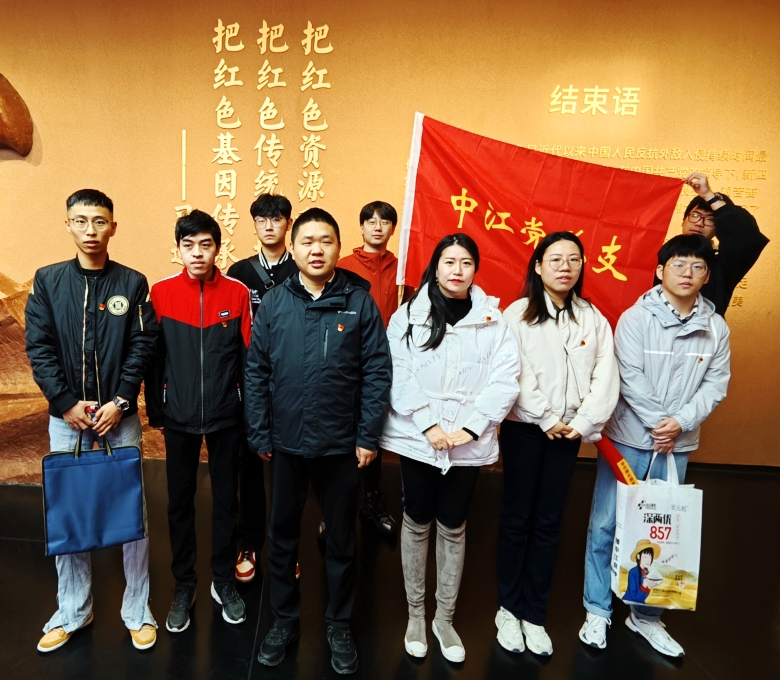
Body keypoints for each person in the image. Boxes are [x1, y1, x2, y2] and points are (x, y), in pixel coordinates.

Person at [246, 208, 392, 674]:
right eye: (307, 241)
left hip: (340, 446)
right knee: (282, 538)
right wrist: (260, 431)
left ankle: (339, 624)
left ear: (338, 247)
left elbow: (377, 372)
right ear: (293, 248)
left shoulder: (359, 301)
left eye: (325, 241)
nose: (316, 249)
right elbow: (256, 371)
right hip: (286, 444)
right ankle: (284, 620)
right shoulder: (274, 303)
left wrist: (368, 435)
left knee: (342, 540)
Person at [580, 234, 731, 658]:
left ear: (706, 276)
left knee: (663, 529)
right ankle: (597, 609)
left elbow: (716, 384)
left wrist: (679, 424)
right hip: (630, 438)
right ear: (661, 270)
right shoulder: (635, 318)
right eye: (679, 264)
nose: (687, 273)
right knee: (606, 523)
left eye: (698, 267)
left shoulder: (716, 327)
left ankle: (646, 616)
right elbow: (629, 375)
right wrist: (659, 424)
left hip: (676, 444)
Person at [25, 189, 158, 652]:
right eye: (80, 221)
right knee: (69, 510)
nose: (90, 230)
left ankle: (137, 609)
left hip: (119, 417)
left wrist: (121, 400)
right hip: (68, 420)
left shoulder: (132, 282)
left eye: (99, 221)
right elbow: (38, 346)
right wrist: (66, 403)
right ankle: (73, 610)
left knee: (133, 512)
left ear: (113, 227)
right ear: (67, 225)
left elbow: (143, 344)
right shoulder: (47, 281)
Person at [380, 233, 521, 663]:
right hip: (418, 437)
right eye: (449, 262)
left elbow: (506, 378)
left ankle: (444, 619)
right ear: (435, 267)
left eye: (465, 263)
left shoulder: (494, 320)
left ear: (475, 269)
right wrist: (428, 423)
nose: (457, 270)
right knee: (417, 518)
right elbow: (397, 370)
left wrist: (472, 427)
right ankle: (416, 615)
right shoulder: (408, 314)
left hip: (467, 443)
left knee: (453, 523)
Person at [495, 232, 619, 657]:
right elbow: (515, 372)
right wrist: (546, 417)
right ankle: (508, 609)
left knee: (549, 522)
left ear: (582, 266)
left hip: (570, 433)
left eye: (573, 259)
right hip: (526, 429)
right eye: (555, 259)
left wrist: (580, 423)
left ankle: (534, 613)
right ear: (538, 266)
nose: (565, 267)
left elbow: (606, 375)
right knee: (517, 518)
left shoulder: (592, 318)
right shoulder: (517, 315)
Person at [146, 209, 252, 632]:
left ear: (217, 249)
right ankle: (184, 584)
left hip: (228, 417)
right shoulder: (161, 293)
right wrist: (157, 409)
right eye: (188, 245)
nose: (196, 253)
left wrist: (249, 414)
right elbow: (154, 359)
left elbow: (248, 359)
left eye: (205, 245)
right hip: (179, 416)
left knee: (227, 501)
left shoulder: (237, 293)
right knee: (179, 502)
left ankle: (223, 579)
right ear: (178, 250)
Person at [226, 193, 298, 584]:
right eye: (262, 219)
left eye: (277, 219)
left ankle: (286, 547)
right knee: (250, 466)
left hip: (292, 383)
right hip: (250, 381)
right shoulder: (239, 272)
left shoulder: (303, 267)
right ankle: (249, 543)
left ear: (289, 223)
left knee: (289, 471)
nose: (269, 226)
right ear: (254, 224)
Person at [333, 200, 414, 536]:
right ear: (361, 227)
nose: (377, 227)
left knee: (373, 431)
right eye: (371, 221)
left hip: (386, 361)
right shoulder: (343, 266)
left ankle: (372, 500)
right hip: (347, 359)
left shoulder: (404, 267)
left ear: (393, 229)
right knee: (342, 432)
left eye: (385, 222)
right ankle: (335, 509)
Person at [673, 172, 768, 316]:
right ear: (683, 220)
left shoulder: (723, 265)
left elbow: (746, 237)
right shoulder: (661, 257)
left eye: (710, 219)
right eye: (695, 215)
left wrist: (709, 196)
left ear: (719, 227)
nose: (699, 223)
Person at [624, 540, 661, 605]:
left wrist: (648, 587)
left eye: (650, 557)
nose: (648, 560)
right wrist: (644, 586)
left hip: (641, 604)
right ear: (638, 556)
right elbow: (633, 596)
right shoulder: (633, 572)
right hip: (627, 604)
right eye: (645, 556)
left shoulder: (646, 572)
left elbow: (643, 597)